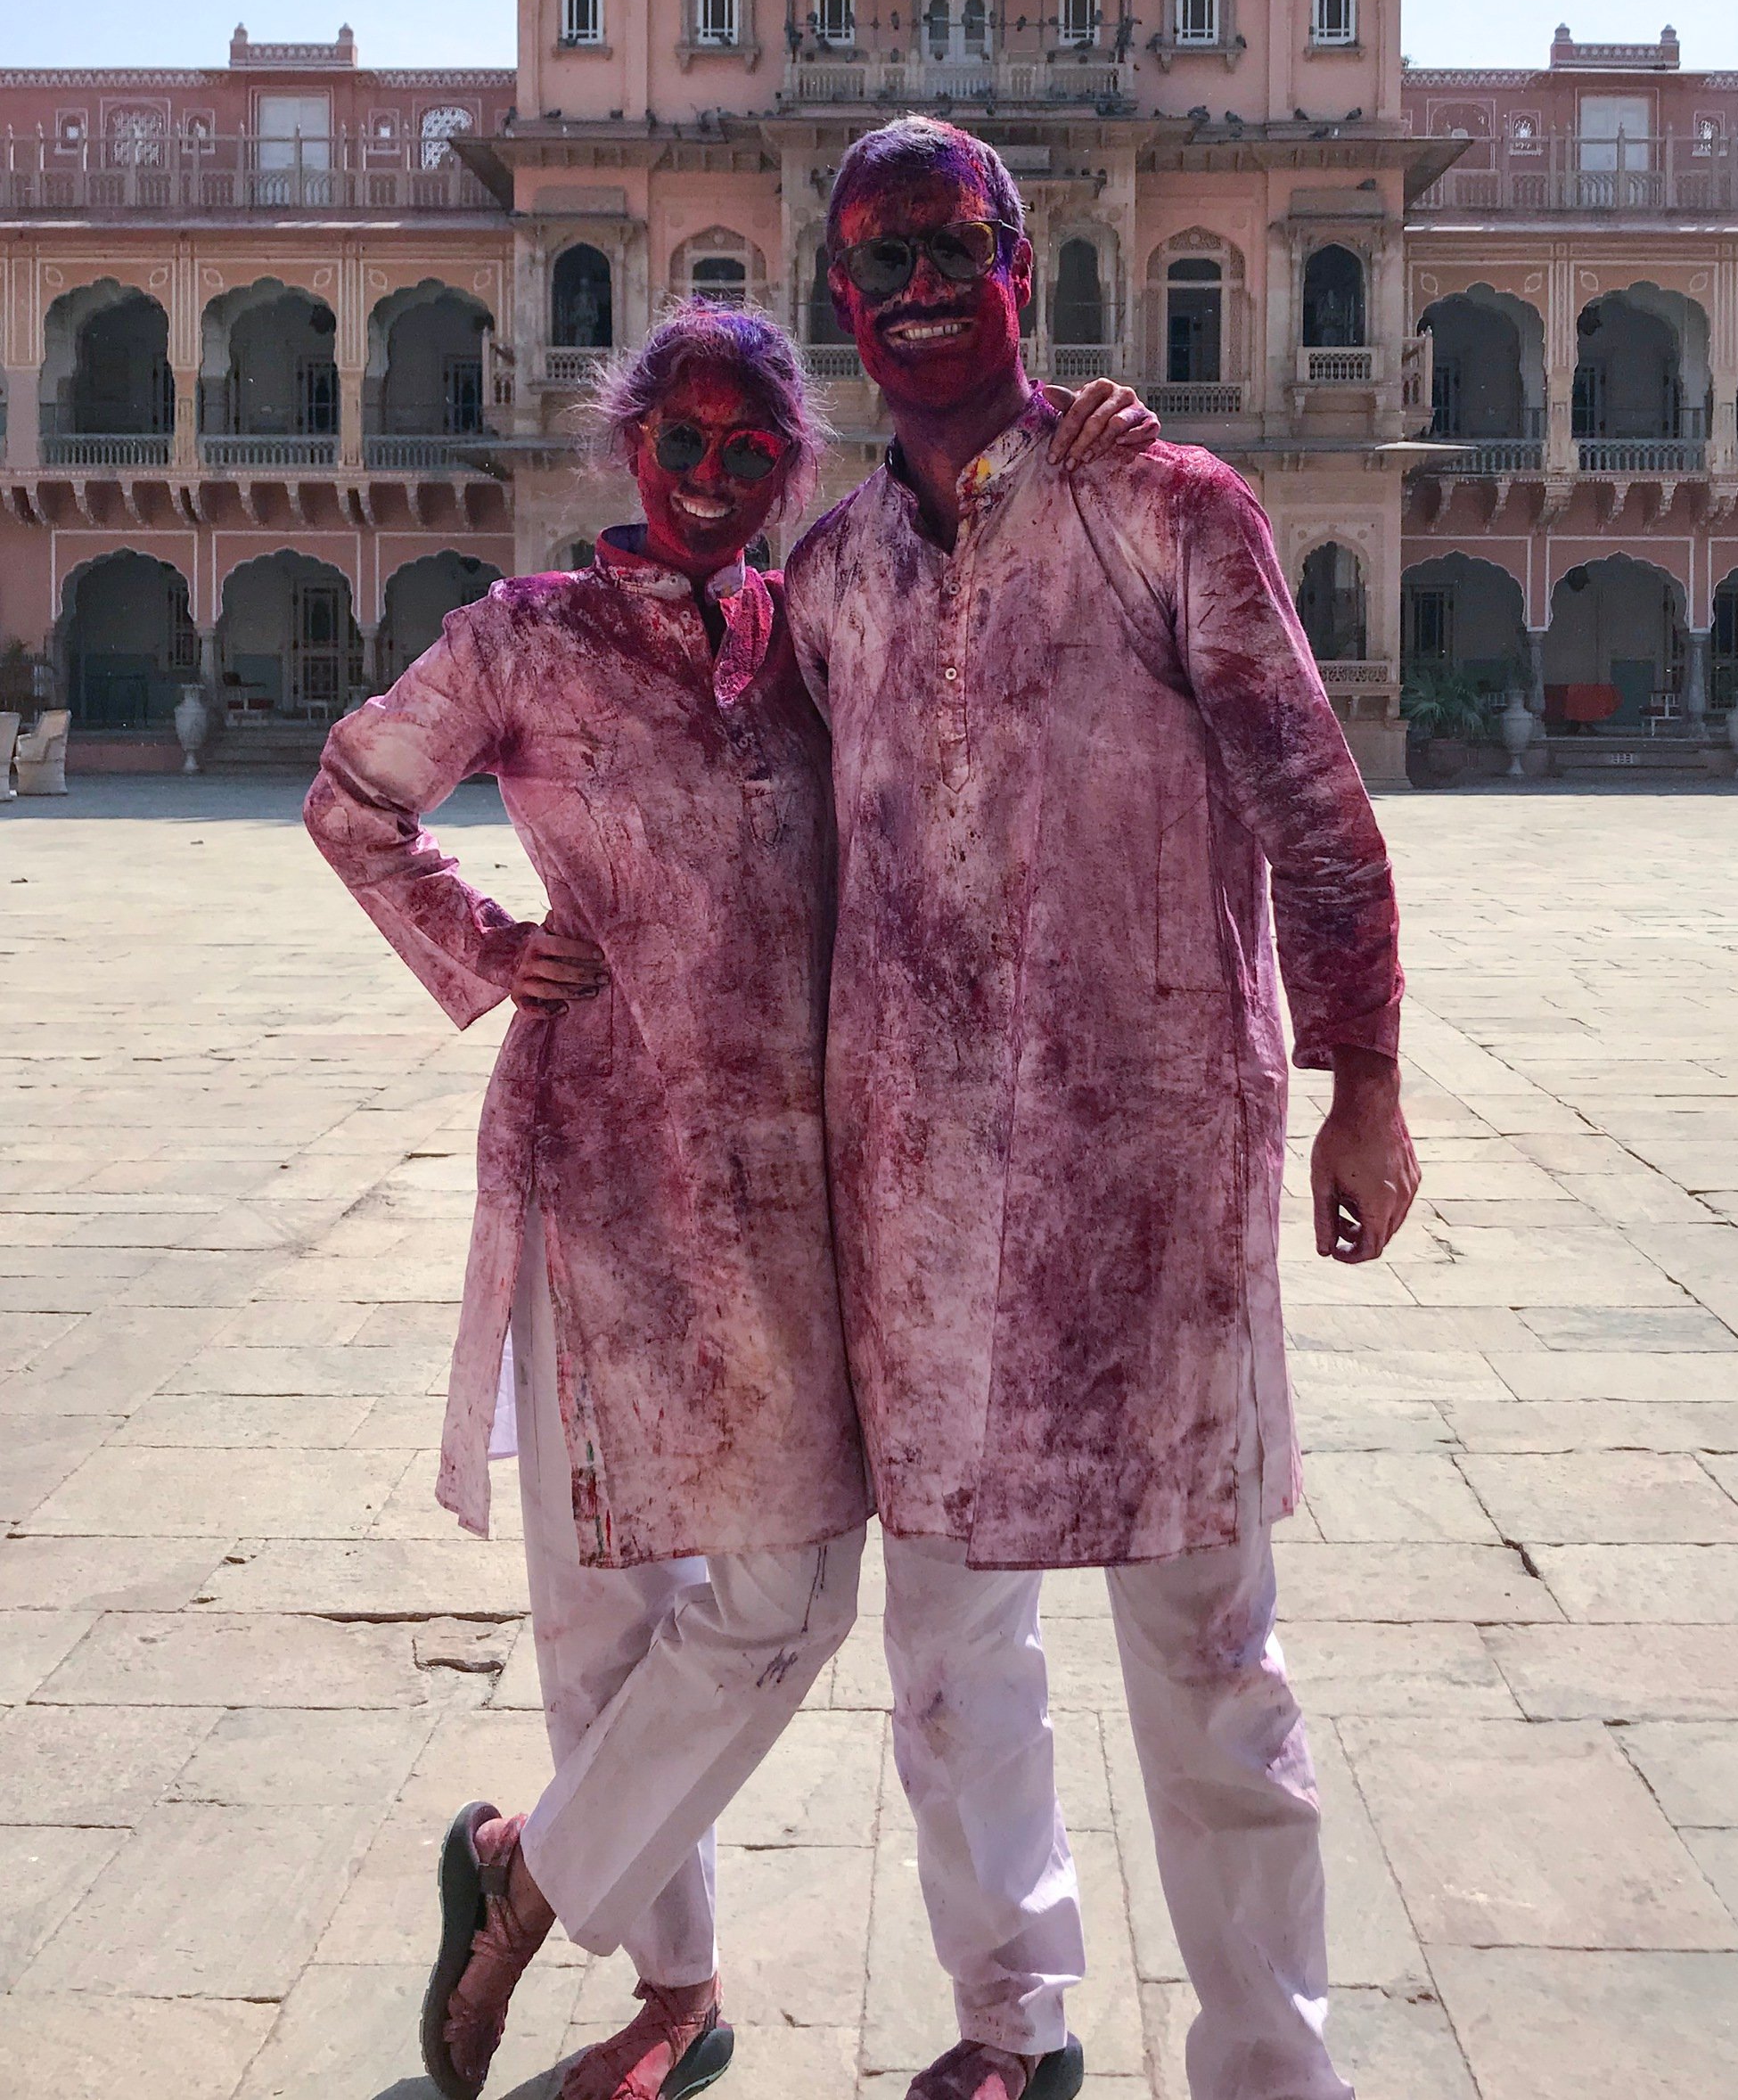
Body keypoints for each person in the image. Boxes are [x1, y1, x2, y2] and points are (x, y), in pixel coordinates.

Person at [305, 303, 1154, 2100]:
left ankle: (517, 1876)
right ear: (631, 448)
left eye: (748, 450)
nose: (707, 478)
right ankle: (672, 1994)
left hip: (801, 1186)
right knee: (614, 1597)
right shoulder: (526, 638)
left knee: (778, 1597)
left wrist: (1086, 462)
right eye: (678, 442)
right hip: (601, 1174)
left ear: (792, 470)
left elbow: (990, 635)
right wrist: (484, 940)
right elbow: (357, 793)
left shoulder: (809, 642)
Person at [783, 119, 1421, 2100]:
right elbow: (782, 858)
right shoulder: (827, 573)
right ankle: (1008, 2020)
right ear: (836, 301)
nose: (905, 290)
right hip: (918, 1183)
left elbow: (1311, 801)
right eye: (869, 261)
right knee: (950, 1651)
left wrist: (1364, 1081)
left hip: (1154, 1175)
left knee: (1214, 1667)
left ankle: (1269, 2063)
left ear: (1020, 266)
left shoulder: (1165, 507)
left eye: (940, 248)